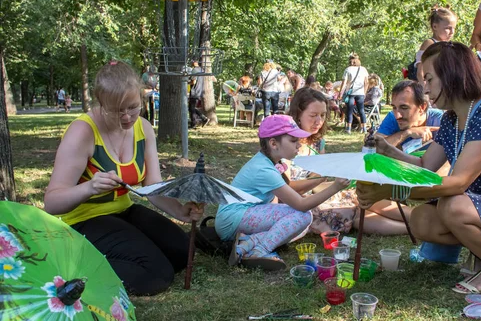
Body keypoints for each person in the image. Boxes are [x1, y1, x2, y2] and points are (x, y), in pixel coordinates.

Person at [356, 42, 481, 294]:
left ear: (453, 74)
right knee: (422, 220)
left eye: (429, 79)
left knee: (452, 204)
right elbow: (424, 166)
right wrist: (388, 150)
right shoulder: (452, 119)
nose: (425, 89)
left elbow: (458, 182)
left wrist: (390, 191)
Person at [44, 61, 203, 296]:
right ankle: (73, 270)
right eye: (117, 110)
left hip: (123, 212)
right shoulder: (82, 132)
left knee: (181, 252)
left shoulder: (144, 128)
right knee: (156, 273)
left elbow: (152, 186)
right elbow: (51, 203)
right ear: (101, 104)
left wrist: (180, 211)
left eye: (133, 107)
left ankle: (113, 257)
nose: (127, 117)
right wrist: (89, 188)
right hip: (82, 221)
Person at [215, 114, 350, 270]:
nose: (299, 145)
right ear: (273, 143)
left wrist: (321, 179)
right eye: (293, 141)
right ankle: (259, 251)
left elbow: (284, 196)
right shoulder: (264, 169)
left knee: (297, 226)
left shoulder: (269, 162)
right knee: (304, 216)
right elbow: (301, 205)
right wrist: (335, 187)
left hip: (238, 217)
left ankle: (246, 244)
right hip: (233, 219)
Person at [286, 87, 414, 236]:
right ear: (297, 115)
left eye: (322, 115)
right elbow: (287, 189)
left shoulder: (317, 141)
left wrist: (329, 176)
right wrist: (324, 178)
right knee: (353, 211)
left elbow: (317, 179)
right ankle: (416, 229)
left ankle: (422, 219)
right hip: (295, 206)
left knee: (360, 195)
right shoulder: (285, 143)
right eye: (313, 115)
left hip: (316, 195)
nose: (319, 121)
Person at [376, 80, 443, 155]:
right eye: (394, 107)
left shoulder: (440, 120)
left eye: (404, 107)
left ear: (422, 107)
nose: (397, 116)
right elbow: (374, 148)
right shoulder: (392, 117)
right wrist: (407, 133)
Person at [413, 6, 457, 83]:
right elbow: (420, 73)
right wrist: (426, 91)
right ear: (435, 26)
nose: (452, 32)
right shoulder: (429, 43)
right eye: (448, 28)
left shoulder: (449, 46)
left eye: (454, 28)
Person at [340, 53, 369, 134]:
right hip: (360, 93)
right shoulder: (363, 69)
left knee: (349, 110)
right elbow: (366, 82)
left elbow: (344, 82)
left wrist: (340, 93)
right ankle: (364, 128)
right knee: (361, 110)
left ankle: (348, 128)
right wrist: (364, 93)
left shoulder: (348, 69)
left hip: (350, 93)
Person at [189, 61, 209, 128]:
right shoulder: (201, 70)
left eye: (192, 61)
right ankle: (197, 122)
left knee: (192, 108)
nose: (191, 63)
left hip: (194, 91)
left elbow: (193, 81)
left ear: (195, 62)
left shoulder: (194, 70)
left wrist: (186, 82)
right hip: (199, 91)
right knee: (193, 108)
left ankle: (197, 122)